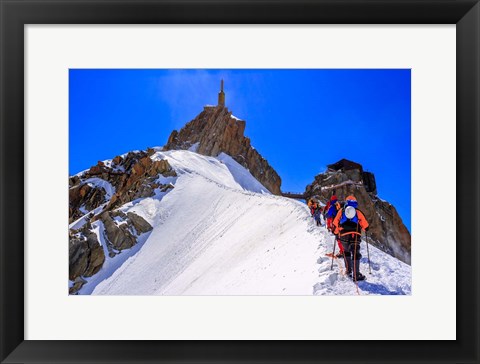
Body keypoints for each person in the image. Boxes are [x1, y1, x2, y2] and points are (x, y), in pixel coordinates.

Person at [333, 195, 369, 281]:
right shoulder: (357, 212)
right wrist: (365, 228)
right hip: (355, 235)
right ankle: (356, 275)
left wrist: (336, 233)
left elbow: (336, 223)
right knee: (355, 253)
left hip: (343, 235)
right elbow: (366, 226)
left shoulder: (341, 211)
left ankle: (348, 270)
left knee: (346, 252)